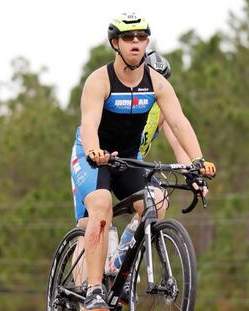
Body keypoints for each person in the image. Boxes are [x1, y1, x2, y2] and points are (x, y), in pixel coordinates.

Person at [70, 12, 216, 311]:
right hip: (94, 155)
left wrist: (197, 164)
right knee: (99, 209)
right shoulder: (99, 80)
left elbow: (179, 125)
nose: (135, 42)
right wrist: (95, 152)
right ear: (116, 43)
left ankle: (120, 270)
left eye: (141, 37)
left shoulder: (157, 86)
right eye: (128, 37)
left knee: (158, 201)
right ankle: (93, 289)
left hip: (129, 159)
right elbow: (88, 123)